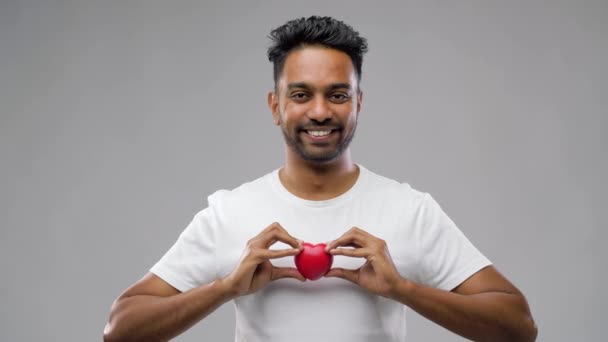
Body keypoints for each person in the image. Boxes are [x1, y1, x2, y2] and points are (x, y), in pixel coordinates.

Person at [103, 15, 537, 342]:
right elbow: (119, 329)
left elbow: (519, 326)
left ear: (358, 103)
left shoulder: (410, 210)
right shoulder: (229, 212)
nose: (320, 111)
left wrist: (403, 289)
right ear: (275, 106)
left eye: (338, 94)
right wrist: (226, 287)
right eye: (300, 94)